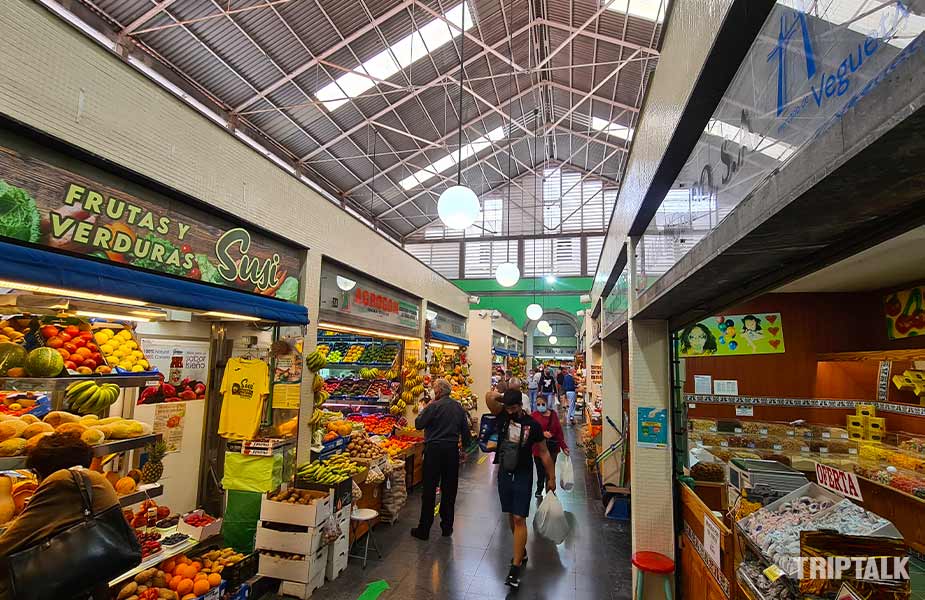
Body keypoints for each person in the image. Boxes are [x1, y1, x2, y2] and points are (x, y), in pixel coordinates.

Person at [0, 433, 121, 600]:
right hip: (94, 580)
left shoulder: (61, 483)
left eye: (38, 474)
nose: (37, 481)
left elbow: (9, 543)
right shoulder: (95, 481)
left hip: (62, 586)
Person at [485, 389, 556, 589]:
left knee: (519, 517)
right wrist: (505, 398)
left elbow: (543, 452)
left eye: (514, 407)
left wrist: (552, 477)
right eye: (508, 407)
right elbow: (488, 396)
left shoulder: (532, 425)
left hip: (524, 474)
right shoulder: (502, 416)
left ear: (521, 406)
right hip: (505, 473)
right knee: (510, 514)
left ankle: (515, 568)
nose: (510, 411)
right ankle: (521, 551)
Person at [411, 378, 471, 540]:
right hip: (451, 451)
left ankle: (424, 529)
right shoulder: (458, 407)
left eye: (433, 389)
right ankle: (447, 527)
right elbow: (465, 430)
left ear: (437, 392)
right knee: (449, 490)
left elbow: (418, 424)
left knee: (429, 490)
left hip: (434, 451)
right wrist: (464, 449)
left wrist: (426, 407)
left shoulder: (434, 406)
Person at [531, 395, 568, 499]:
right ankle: (539, 489)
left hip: (552, 448)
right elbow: (530, 432)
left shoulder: (554, 415)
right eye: (538, 404)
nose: (540, 406)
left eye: (543, 404)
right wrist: (541, 433)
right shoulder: (534, 416)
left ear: (547, 404)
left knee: (550, 471)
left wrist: (564, 446)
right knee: (540, 472)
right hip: (538, 449)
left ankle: (550, 490)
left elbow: (559, 432)